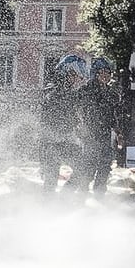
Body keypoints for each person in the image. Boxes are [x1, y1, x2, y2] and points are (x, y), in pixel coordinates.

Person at [37, 54, 89, 194]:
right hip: (52, 143)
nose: (77, 79)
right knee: (51, 180)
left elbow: (71, 116)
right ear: (65, 73)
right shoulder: (53, 92)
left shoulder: (70, 92)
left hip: (65, 141)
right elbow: (47, 121)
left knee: (83, 169)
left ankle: (63, 199)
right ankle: (50, 207)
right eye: (73, 75)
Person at [77, 57, 121, 195]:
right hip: (90, 135)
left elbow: (112, 115)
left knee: (105, 165)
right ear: (95, 73)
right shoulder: (86, 90)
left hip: (104, 136)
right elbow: (79, 112)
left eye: (108, 73)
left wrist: (118, 131)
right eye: (102, 72)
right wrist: (81, 127)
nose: (106, 76)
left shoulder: (110, 93)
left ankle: (99, 193)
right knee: (89, 167)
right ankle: (82, 193)